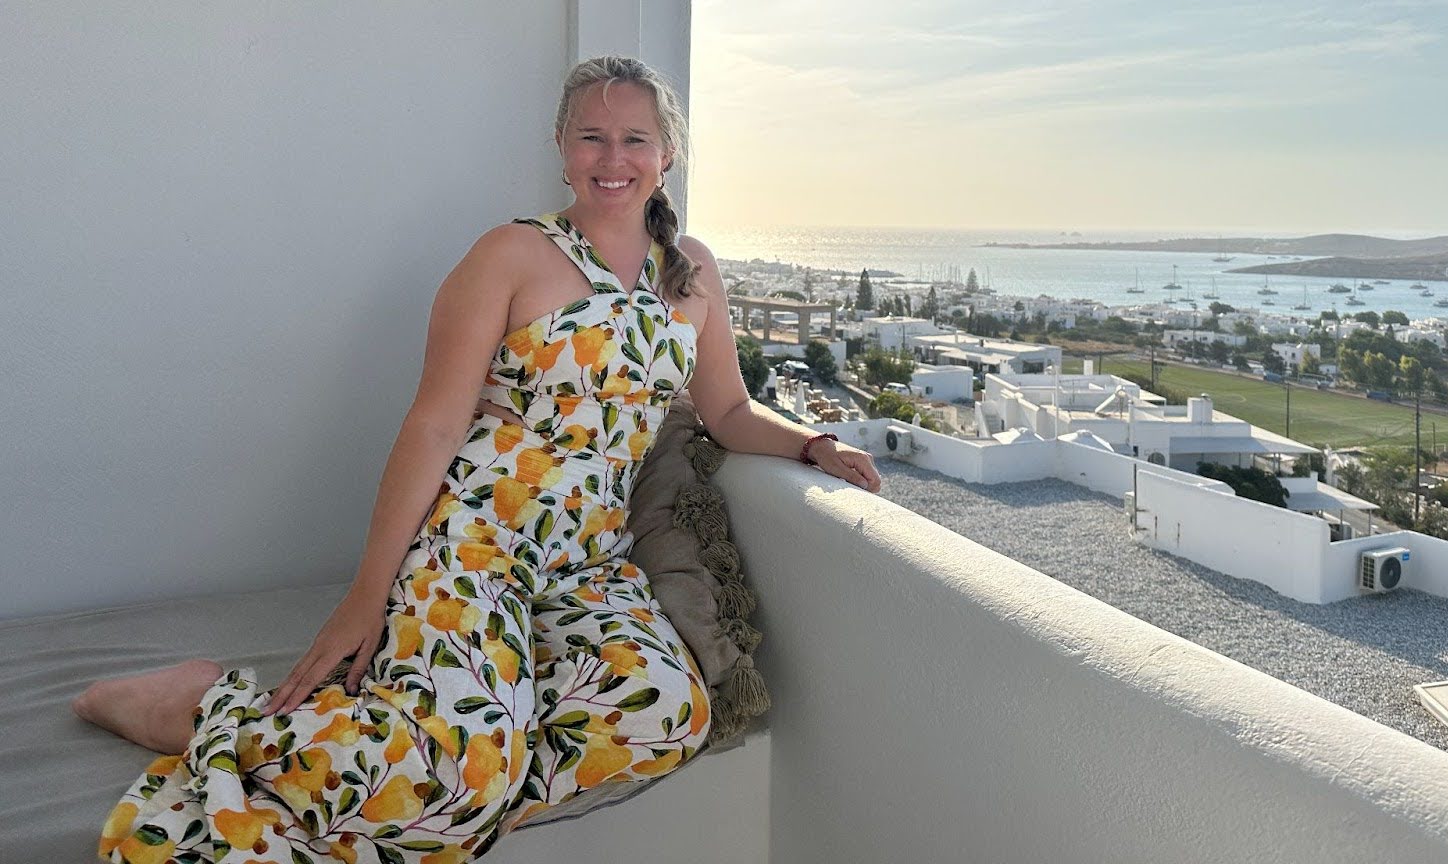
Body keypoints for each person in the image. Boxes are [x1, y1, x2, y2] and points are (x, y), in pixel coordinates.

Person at [75, 55, 881, 862]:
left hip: (590, 562)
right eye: (591, 137)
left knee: (670, 709)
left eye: (634, 139)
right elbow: (431, 427)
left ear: (665, 152)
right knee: (469, 768)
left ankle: (466, 776)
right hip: (474, 546)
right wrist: (368, 592)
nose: (612, 159)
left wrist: (815, 443)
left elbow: (728, 412)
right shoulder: (508, 255)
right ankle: (210, 708)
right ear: (561, 147)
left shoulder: (694, 272)